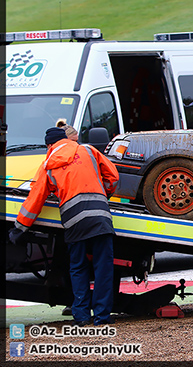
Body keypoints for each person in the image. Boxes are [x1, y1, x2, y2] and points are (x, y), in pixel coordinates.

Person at [9, 127, 119, 325]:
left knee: (78, 268)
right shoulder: (88, 150)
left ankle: (82, 316)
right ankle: (102, 317)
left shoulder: (49, 165)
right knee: (103, 268)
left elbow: (35, 199)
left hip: (74, 222)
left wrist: (20, 227)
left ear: (50, 145)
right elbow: (113, 177)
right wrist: (103, 195)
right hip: (100, 217)